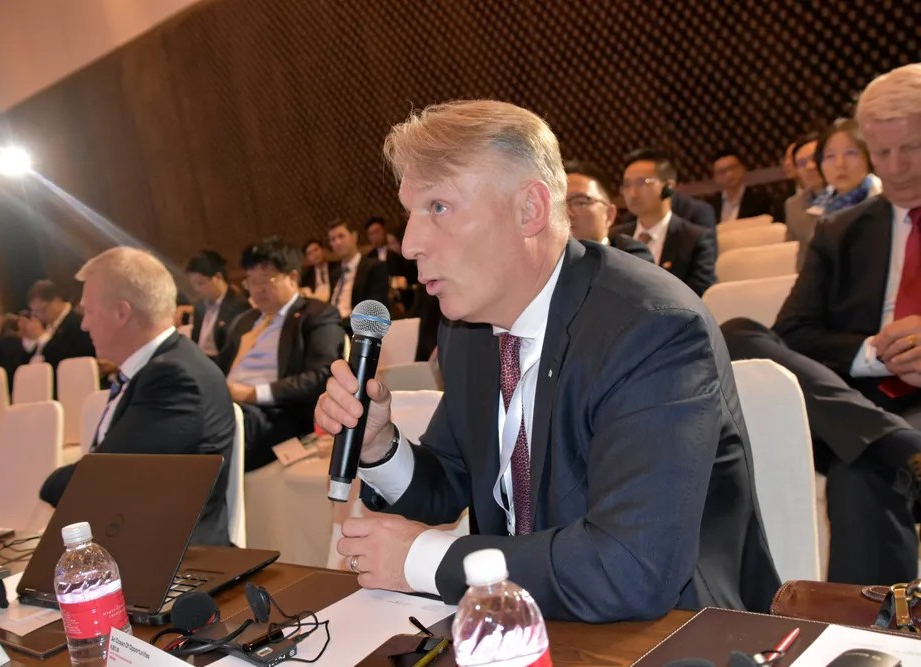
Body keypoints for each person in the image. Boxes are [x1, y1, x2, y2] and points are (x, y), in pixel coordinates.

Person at [315, 99, 778, 622]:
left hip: (669, 633)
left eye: (438, 207)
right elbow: (449, 483)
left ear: (529, 210)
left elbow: (630, 568)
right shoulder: (468, 330)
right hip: (522, 621)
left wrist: (423, 560)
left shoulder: (651, 328)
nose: (410, 244)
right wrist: (379, 446)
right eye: (410, 213)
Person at [721, 63, 921, 585]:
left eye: (912, 148)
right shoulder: (841, 230)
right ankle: (901, 449)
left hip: (885, 418)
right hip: (848, 402)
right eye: (882, 152)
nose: (897, 167)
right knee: (736, 332)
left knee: (860, 470)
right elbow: (794, 333)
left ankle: (871, 630)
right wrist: (873, 353)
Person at [39, 247, 234, 547]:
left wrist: (47, 485)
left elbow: (99, 480)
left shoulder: (174, 378)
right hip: (141, 544)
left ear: (121, 313)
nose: (84, 324)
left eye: (88, 311)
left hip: (169, 556)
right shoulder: (160, 366)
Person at [219, 238, 344, 471]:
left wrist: (252, 394)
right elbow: (219, 367)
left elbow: (322, 375)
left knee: (212, 426)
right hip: (228, 405)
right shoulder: (245, 321)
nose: (257, 290)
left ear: (292, 277)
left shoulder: (316, 314)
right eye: (251, 281)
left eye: (265, 280)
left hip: (275, 415)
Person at [609, 149, 718, 296]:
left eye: (641, 183)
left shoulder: (694, 239)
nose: (632, 194)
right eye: (627, 185)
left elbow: (700, 295)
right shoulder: (614, 237)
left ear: (668, 188)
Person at [563, 161, 653, 262]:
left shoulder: (632, 258)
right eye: (558, 204)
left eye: (580, 203)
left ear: (609, 214)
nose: (567, 212)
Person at [183, 250, 250, 370]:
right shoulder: (200, 306)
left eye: (200, 283)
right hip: (199, 362)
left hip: (221, 366)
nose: (197, 289)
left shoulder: (238, 306)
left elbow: (234, 352)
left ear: (218, 277)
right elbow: (195, 343)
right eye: (193, 285)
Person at [808, 118, 883, 216]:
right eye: (830, 156)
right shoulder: (815, 210)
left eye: (850, 153)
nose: (839, 164)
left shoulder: (890, 200)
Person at [327, 219, 388, 325]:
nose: (337, 242)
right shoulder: (334, 274)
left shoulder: (374, 267)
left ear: (354, 237)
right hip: (332, 326)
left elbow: (373, 307)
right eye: (333, 239)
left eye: (341, 236)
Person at [27, 280, 96, 369]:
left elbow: (66, 358)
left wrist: (41, 337)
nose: (39, 316)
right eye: (36, 312)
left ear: (56, 301)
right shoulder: (48, 325)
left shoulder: (77, 323)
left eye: (42, 310)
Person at [784, 134, 827, 269]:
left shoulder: (852, 194)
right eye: (802, 163)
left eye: (814, 159)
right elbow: (800, 257)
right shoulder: (793, 206)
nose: (810, 166)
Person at [711, 149, 775, 222]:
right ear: (715, 177)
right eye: (722, 171)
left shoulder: (759, 200)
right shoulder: (710, 206)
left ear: (742, 168)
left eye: (732, 168)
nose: (729, 174)